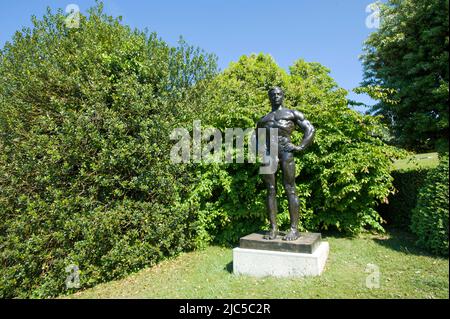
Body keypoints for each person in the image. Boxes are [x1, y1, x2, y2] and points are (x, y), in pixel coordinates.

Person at [256, 86, 315, 241]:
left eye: (278, 94)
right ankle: (273, 228)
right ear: (269, 97)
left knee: (290, 188)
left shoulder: (291, 113)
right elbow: (258, 140)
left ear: (283, 96)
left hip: (286, 151)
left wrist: (300, 146)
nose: (276, 96)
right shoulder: (263, 120)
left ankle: (294, 229)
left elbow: (310, 129)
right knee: (270, 189)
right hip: (269, 154)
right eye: (273, 94)